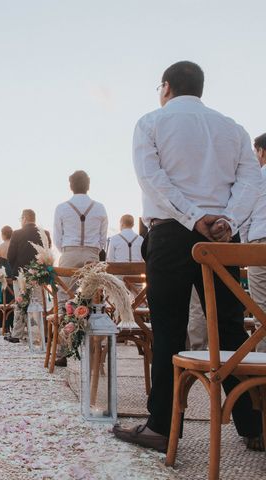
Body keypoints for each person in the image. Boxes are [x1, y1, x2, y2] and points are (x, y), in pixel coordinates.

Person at [113, 61, 263, 452]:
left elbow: (153, 180)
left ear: (166, 87)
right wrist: (226, 219)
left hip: (171, 234)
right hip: (220, 239)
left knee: (168, 331)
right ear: (200, 88)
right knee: (230, 329)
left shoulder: (151, 123)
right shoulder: (233, 128)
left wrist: (195, 217)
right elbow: (250, 180)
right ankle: (253, 425)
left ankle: (163, 427)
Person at [5, 209, 48, 343]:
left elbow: (10, 256)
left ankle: (17, 334)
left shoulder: (17, 233)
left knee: (20, 302)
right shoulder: (44, 233)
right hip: (39, 275)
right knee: (39, 304)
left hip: (21, 274)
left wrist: (14, 270)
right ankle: (41, 334)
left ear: (24, 218)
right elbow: (47, 253)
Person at [241, 132, 266, 352]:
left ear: (262, 152)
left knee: (262, 310)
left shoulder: (258, 177)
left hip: (260, 244)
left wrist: (243, 248)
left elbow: (245, 215)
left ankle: (261, 375)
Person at [53, 170, 108, 268]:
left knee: (67, 284)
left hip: (69, 255)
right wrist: (94, 249)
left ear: (70, 186)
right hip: (92, 255)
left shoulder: (61, 208)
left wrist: (67, 250)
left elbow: (57, 239)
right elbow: (103, 238)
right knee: (91, 284)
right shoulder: (100, 208)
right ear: (88, 186)